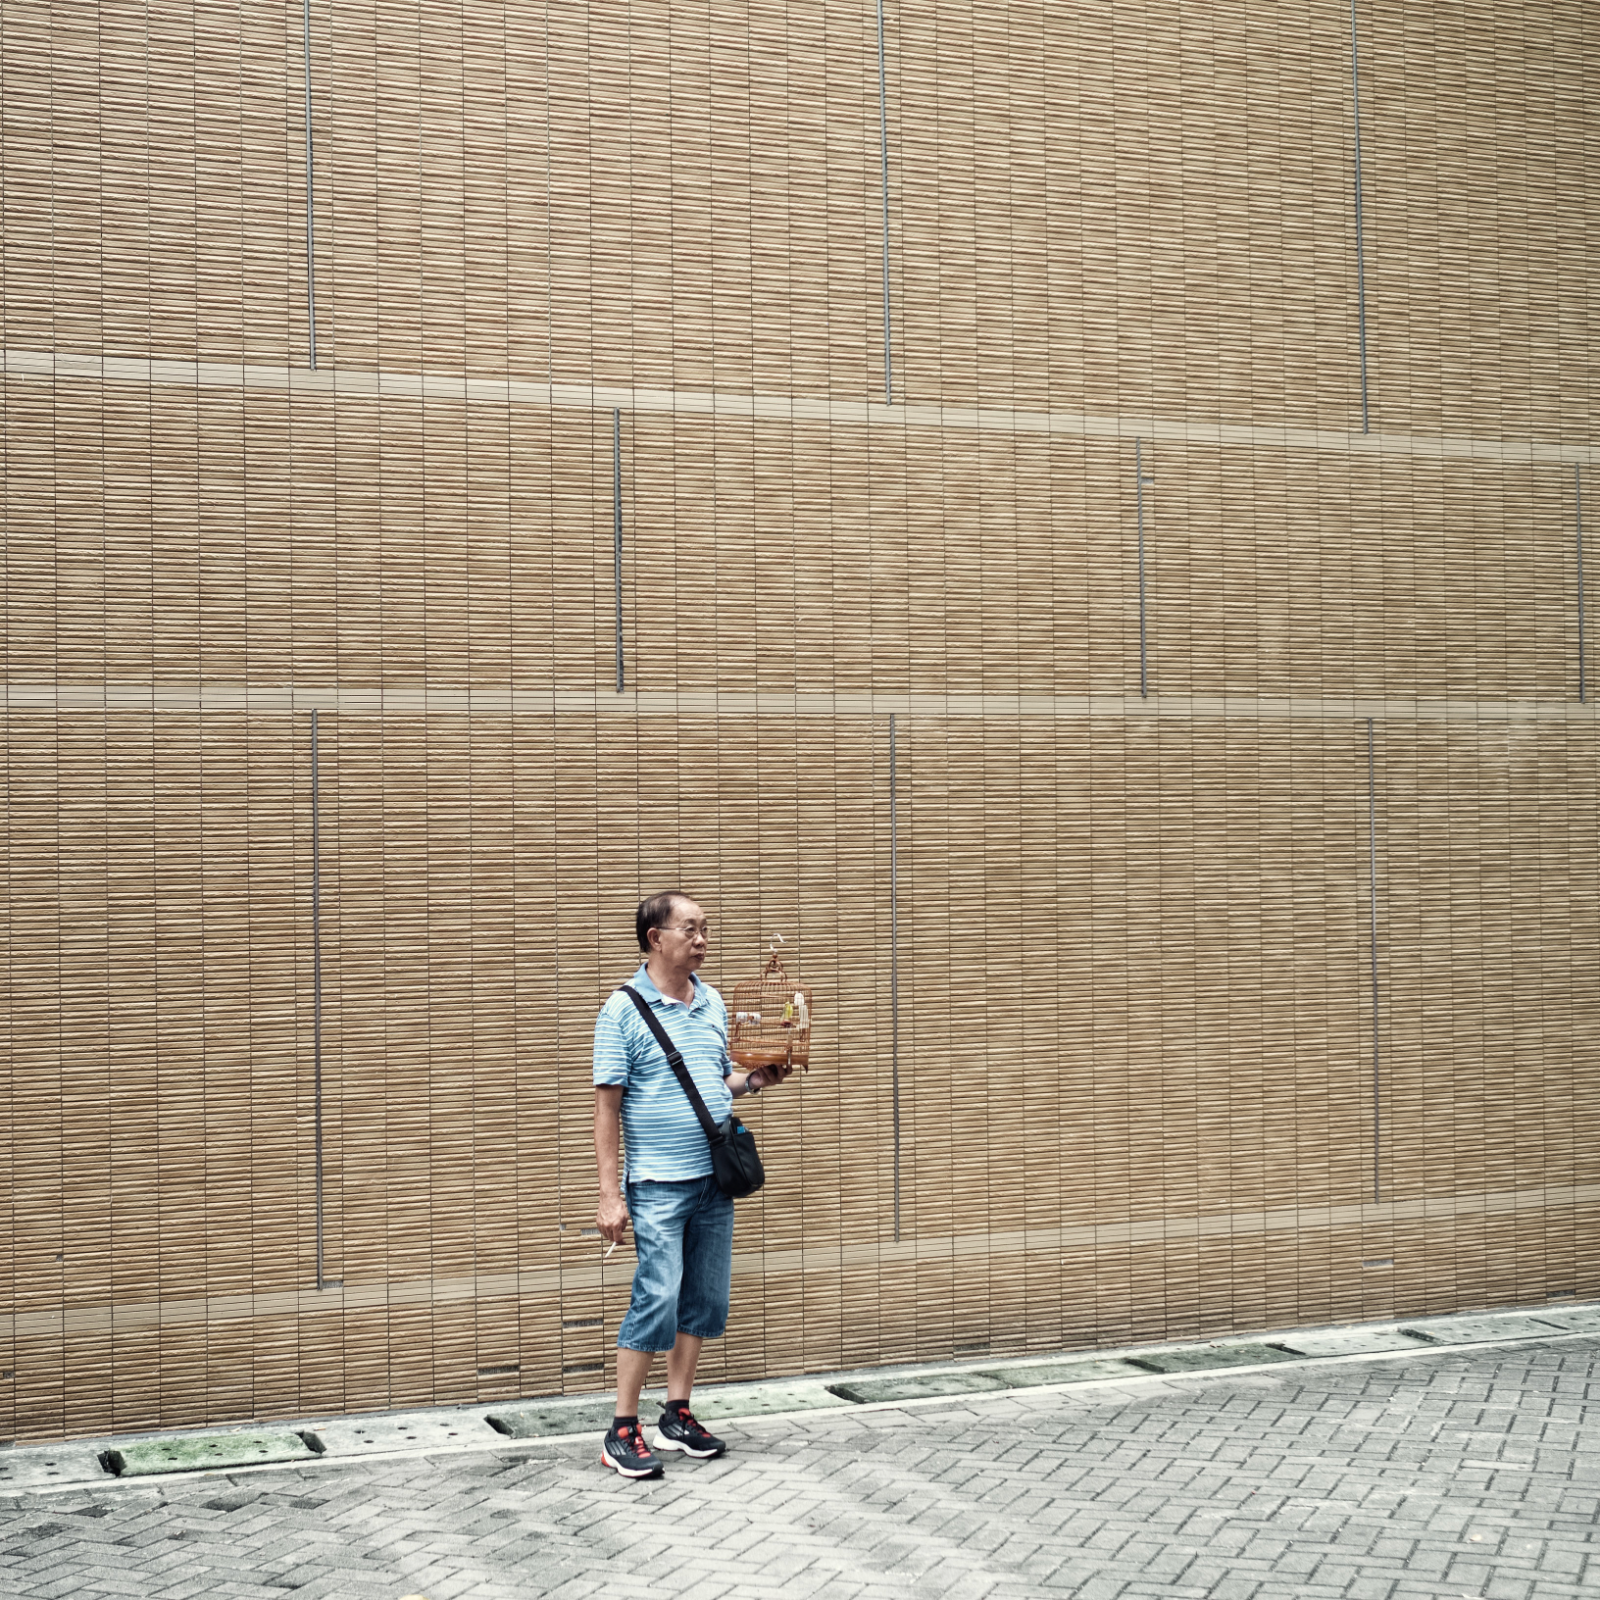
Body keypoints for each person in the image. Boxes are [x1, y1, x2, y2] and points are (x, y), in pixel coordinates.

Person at [593, 890, 795, 1479]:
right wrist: (611, 1194)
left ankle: (676, 1413)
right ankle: (621, 1429)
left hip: (713, 1179)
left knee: (704, 1300)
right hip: (658, 1181)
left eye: (705, 929)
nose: (702, 939)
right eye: (691, 929)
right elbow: (607, 1107)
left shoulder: (711, 1001)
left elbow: (712, 1080)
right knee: (656, 1296)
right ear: (656, 939)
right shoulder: (622, 1010)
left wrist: (753, 1080)